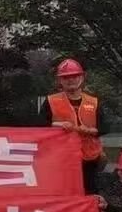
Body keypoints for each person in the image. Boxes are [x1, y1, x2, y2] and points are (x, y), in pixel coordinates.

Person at [41, 58, 105, 197]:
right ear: (60, 80)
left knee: (89, 194)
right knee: (64, 194)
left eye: (74, 76)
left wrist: (88, 131)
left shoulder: (93, 102)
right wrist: (57, 125)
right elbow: (38, 126)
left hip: (89, 159)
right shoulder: (51, 101)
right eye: (66, 77)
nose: (71, 80)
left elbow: (104, 127)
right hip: (61, 159)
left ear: (82, 77)